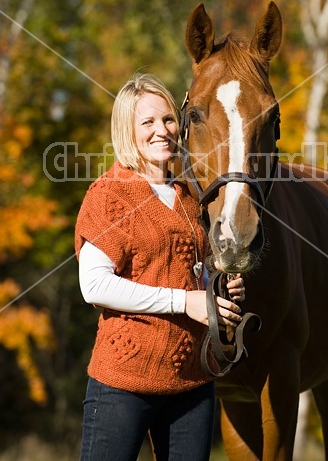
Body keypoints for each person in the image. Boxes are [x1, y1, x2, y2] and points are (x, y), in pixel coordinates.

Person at [75, 73, 245, 461]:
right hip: (124, 383)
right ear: (127, 130)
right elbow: (95, 287)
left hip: (192, 381)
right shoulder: (108, 194)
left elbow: (190, 270)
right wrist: (185, 302)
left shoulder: (191, 195)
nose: (161, 131)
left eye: (168, 119)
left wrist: (216, 291)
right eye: (147, 122)